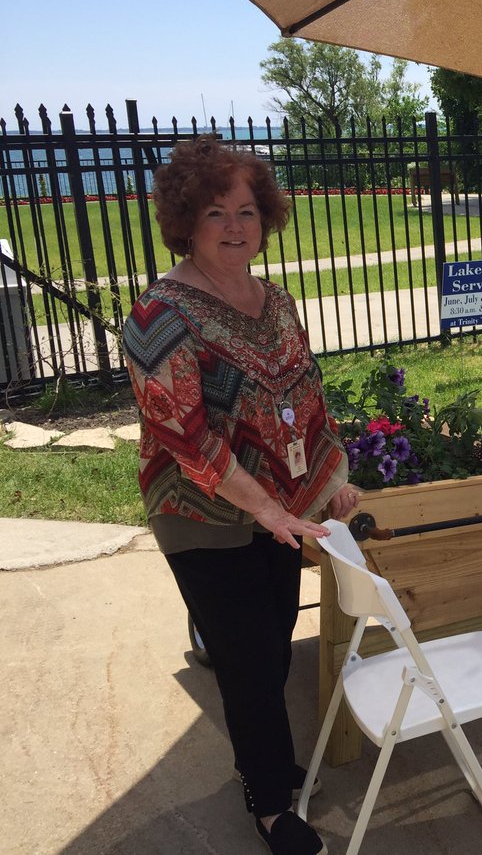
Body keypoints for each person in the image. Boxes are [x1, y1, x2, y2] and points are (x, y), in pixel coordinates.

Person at [122, 135, 358, 855]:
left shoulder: (275, 300)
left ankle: (262, 761)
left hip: (279, 513)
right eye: (216, 212)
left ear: (267, 218)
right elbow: (184, 434)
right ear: (186, 221)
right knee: (249, 661)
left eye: (247, 211)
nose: (234, 226)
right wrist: (265, 506)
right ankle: (269, 803)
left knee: (273, 644)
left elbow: (307, 393)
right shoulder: (158, 316)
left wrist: (332, 477)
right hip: (201, 516)